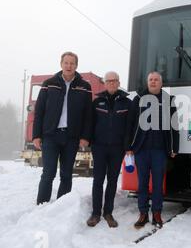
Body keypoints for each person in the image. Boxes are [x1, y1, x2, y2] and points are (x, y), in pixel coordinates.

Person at [33, 52, 92, 205]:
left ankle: (61, 207)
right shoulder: (49, 83)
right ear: (61, 64)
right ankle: (41, 205)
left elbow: (88, 114)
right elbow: (39, 111)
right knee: (48, 173)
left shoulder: (84, 86)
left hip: (71, 137)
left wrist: (85, 137)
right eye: (66, 63)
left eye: (72, 63)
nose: (69, 66)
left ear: (76, 66)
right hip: (50, 135)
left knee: (66, 175)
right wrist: (36, 135)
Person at [125, 71, 179, 229]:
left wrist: (174, 147)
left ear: (161, 83)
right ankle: (143, 213)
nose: (153, 82)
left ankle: (157, 213)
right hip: (141, 149)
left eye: (156, 80)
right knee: (142, 184)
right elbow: (130, 124)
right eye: (151, 80)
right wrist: (128, 146)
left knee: (157, 184)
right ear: (147, 82)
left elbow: (175, 126)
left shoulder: (168, 100)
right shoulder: (138, 99)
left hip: (160, 150)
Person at [86, 71, 132, 228]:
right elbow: (90, 123)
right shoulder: (97, 102)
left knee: (112, 181)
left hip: (117, 148)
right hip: (99, 147)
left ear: (119, 83)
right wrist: (89, 141)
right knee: (98, 180)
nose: (112, 83)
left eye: (115, 80)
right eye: (109, 81)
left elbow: (129, 127)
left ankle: (108, 212)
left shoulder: (127, 103)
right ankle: (95, 213)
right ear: (105, 83)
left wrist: (128, 146)